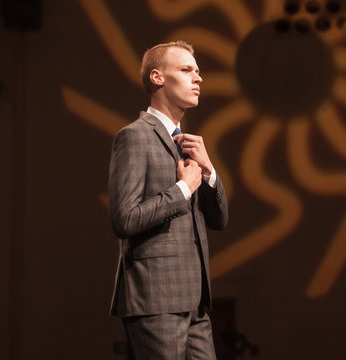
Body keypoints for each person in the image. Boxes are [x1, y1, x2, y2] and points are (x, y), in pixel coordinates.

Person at [107, 40, 229, 359]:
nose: (198, 78)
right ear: (158, 78)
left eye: (198, 71)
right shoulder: (134, 136)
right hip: (156, 297)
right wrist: (183, 190)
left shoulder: (188, 146)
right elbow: (124, 219)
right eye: (187, 70)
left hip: (195, 300)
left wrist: (208, 172)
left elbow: (220, 220)